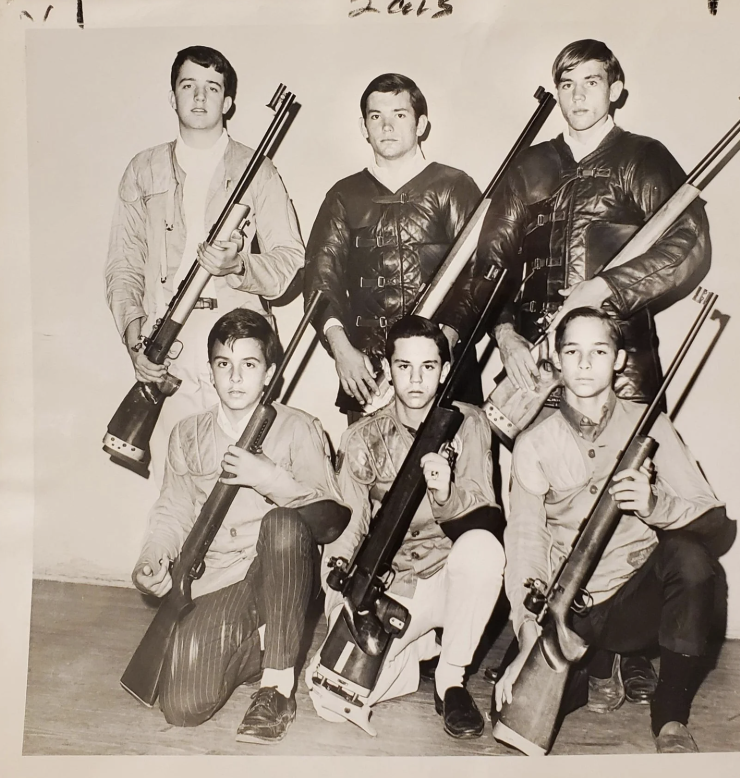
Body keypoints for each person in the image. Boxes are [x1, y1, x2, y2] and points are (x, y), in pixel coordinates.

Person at [474, 37, 712, 704]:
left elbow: (689, 246)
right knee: (542, 507)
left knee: (631, 507)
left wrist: (607, 291)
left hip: (623, 362)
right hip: (536, 364)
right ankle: (541, 635)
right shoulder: (531, 166)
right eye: (567, 82)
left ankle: (628, 646)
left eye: (592, 80)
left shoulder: (644, 159)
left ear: (617, 88)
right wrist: (503, 333)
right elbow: (494, 264)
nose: (579, 93)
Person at [494, 307, 727, 753]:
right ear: (556, 358)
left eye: (598, 351)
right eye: (572, 351)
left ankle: (671, 718)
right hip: (572, 607)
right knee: (509, 715)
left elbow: (714, 519)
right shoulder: (534, 442)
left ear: (619, 359)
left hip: (638, 600)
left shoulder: (651, 425)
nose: (584, 364)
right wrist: (526, 634)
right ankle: (598, 664)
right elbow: (525, 542)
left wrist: (656, 504)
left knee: (692, 559)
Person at [131, 308, 349, 744]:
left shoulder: (300, 427)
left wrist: (268, 477)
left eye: (249, 365)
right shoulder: (187, 434)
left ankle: (277, 686)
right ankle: (266, 644)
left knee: (283, 525)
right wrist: (152, 558)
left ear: (269, 374)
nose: (235, 377)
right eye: (223, 365)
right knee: (182, 707)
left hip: (280, 573)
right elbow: (173, 509)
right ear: (209, 371)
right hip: (221, 579)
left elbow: (331, 520)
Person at [105, 45, 304, 482]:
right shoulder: (143, 169)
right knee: (175, 485)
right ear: (172, 96)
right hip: (165, 336)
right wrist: (135, 338)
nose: (199, 97)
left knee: (242, 481)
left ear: (227, 101)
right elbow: (123, 266)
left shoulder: (259, 169)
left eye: (212, 87)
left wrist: (239, 266)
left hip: (239, 338)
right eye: (188, 85)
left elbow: (291, 263)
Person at [307, 316, 504, 739]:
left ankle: (451, 680)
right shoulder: (363, 438)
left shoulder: (471, 425)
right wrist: (338, 608)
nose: (416, 379)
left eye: (428, 367)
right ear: (388, 368)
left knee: (484, 551)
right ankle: (416, 651)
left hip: (452, 579)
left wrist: (445, 492)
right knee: (333, 702)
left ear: (445, 371)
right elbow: (349, 528)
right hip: (395, 588)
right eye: (404, 366)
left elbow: (485, 510)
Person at [304, 73, 483, 420]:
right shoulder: (343, 195)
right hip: (369, 376)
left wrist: (441, 347)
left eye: (399, 115)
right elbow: (320, 276)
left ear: (421, 124)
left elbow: (478, 276)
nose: (386, 126)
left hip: (446, 374)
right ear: (363, 126)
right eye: (376, 116)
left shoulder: (454, 186)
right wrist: (342, 350)